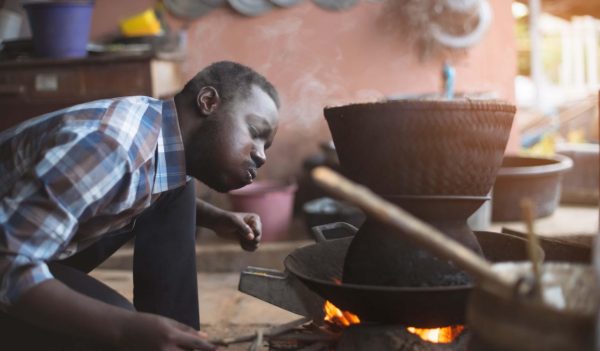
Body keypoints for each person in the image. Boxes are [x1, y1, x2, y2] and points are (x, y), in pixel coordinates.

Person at [0, 61, 280, 350]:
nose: (261, 156)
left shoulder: (157, 129)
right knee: (117, 329)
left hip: (26, 239)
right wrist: (123, 329)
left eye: (266, 146)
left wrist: (215, 217)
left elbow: (134, 183)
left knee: (178, 185)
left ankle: (179, 338)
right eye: (255, 131)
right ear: (208, 102)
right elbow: (8, 264)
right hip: (9, 258)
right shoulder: (110, 146)